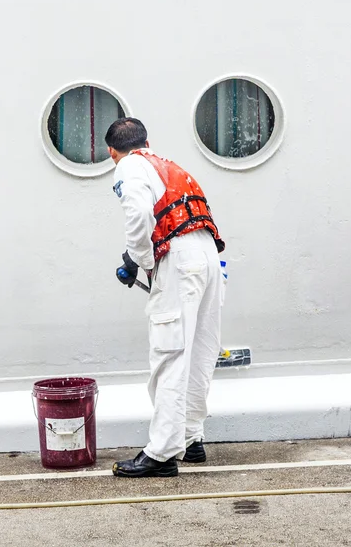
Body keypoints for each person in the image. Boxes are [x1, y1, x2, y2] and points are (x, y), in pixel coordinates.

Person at [106, 117, 225, 478]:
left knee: (170, 352)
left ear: (112, 152)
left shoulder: (128, 165)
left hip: (179, 261)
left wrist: (140, 260)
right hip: (208, 256)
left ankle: (161, 453)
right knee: (200, 350)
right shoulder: (169, 166)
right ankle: (190, 439)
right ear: (146, 140)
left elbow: (139, 214)